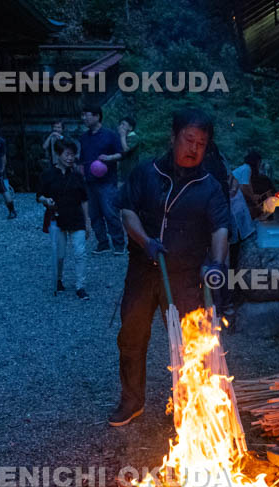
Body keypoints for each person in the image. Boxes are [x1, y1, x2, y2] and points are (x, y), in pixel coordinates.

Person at [109, 109, 231, 427]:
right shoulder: (146, 173)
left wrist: (216, 262)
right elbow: (127, 211)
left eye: (201, 143)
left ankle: (187, 405)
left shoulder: (209, 186)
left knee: (188, 341)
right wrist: (145, 240)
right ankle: (131, 400)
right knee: (132, 336)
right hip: (142, 269)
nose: (194, 148)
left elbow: (220, 228)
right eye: (189, 140)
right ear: (173, 137)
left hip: (185, 276)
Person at [37, 139, 91, 300]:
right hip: (57, 219)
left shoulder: (77, 176)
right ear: (58, 155)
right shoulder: (47, 175)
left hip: (76, 218)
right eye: (67, 154)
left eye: (72, 155)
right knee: (59, 255)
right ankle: (58, 279)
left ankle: (80, 285)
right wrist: (46, 200)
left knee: (80, 252)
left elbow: (84, 199)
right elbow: (39, 195)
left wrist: (87, 221)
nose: (70, 158)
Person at [78, 106, 125, 254]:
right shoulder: (84, 138)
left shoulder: (110, 135)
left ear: (97, 116)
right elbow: (82, 160)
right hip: (89, 182)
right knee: (94, 215)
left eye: (86, 114)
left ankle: (119, 244)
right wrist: (81, 175)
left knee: (110, 212)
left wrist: (109, 158)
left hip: (107, 181)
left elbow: (121, 154)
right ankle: (102, 243)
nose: (84, 118)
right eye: (83, 115)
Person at [117, 116, 140, 181]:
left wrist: (122, 136)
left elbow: (126, 150)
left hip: (131, 172)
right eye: (120, 124)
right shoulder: (123, 138)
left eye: (123, 124)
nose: (120, 126)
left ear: (130, 128)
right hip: (122, 172)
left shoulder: (134, 137)